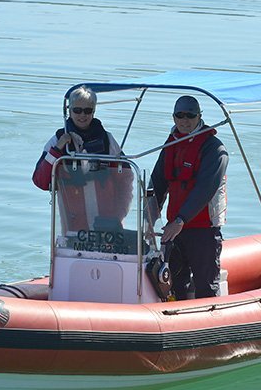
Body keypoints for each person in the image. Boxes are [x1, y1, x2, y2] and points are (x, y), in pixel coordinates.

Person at [149, 95, 228, 299]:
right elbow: (157, 181)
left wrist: (181, 220)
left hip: (203, 230)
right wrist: (148, 219)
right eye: (180, 115)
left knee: (205, 286)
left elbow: (205, 188)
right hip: (174, 229)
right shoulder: (171, 144)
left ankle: (208, 325)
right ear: (173, 117)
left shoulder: (214, 149)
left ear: (199, 116)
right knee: (172, 284)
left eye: (190, 115)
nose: (185, 120)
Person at [32, 85, 131, 234]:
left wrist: (118, 215)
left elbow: (126, 180)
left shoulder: (107, 141)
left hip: (108, 227)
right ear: (69, 111)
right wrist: (57, 150)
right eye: (77, 110)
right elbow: (41, 181)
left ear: (94, 111)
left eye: (87, 110)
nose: (82, 115)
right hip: (73, 228)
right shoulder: (57, 142)